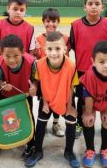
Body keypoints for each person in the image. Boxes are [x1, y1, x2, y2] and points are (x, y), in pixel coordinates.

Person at [25, 32, 79, 168]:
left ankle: (69, 152)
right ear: (44, 50)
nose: (53, 53)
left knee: (71, 123)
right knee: (41, 124)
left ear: (65, 49)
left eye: (57, 49)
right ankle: (38, 151)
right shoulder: (40, 64)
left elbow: (71, 87)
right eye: (49, 49)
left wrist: (69, 107)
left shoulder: (71, 66)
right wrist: (43, 100)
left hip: (66, 97)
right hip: (47, 98)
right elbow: (39, 82)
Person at [69, 0, 107, 139]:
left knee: (103, 98)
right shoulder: (76, 25)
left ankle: (105, 124)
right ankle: (79, 123)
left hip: (104, 71)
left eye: (97, 3)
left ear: (102, 7)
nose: (94, 6)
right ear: (85, 7)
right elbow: (71, 46)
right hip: (83, 71)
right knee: (83, 100)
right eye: (90, 4)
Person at [79, 40, 107, 168]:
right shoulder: (90, 76)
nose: (106, 66)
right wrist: (88, 113)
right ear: (93, 62)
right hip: (91, 101)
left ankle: (105, 149)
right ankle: (90, 150)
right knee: (88, 121)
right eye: (101, 62)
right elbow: (88, 98)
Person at [0, 34, 37, 160]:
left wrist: (35, 87)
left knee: (27, 116)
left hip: (24, 94)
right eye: (7, 56)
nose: (11, 60)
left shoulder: (32, 62)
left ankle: (31, 142)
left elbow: (35, 80)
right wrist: (2, 85)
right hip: (6, 94)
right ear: (1, 53)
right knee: (2, 117)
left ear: (23, 52)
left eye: (16, 56)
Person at [35, 8, 69, 138]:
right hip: (45, 79)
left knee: (59, 101)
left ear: (58, 22)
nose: (51, 24)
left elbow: (67, 56)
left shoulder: (65, 38)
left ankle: (55, 123)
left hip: (60, 78)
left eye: (54, 21)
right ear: (43, 22)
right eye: (48, 21)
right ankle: (43, 124)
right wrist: (36, 52)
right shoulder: (38, 39)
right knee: (45, 101)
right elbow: (37, 59)